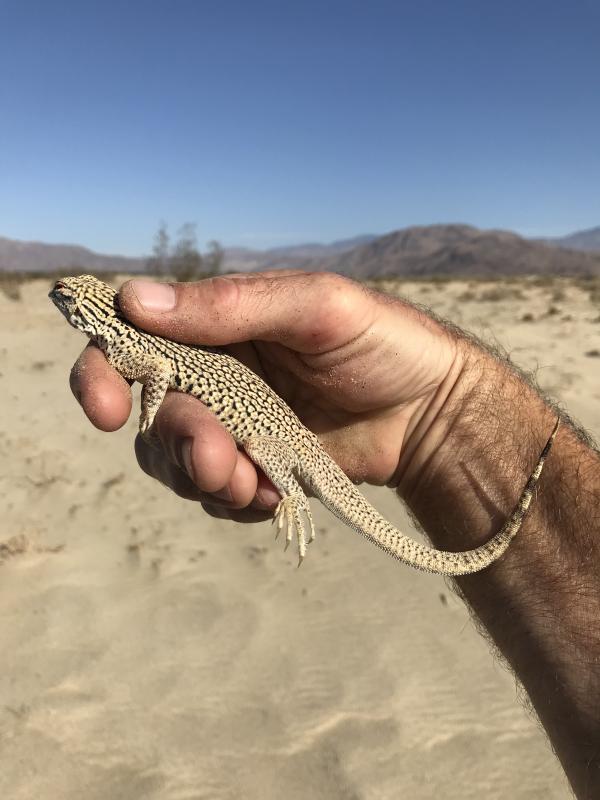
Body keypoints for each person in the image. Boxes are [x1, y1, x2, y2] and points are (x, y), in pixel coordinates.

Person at [69, 271, 600, 799]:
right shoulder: (121, 342)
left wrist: (149, 413)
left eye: (71, 297)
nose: (65, 300)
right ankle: (297, 494)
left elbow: (159, 370)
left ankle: (294, 498)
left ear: (86, 313)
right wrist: (442, 413)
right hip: (279, 422)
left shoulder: (127, 344)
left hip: (276, 431)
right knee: (227, 456)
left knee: (257, 453)